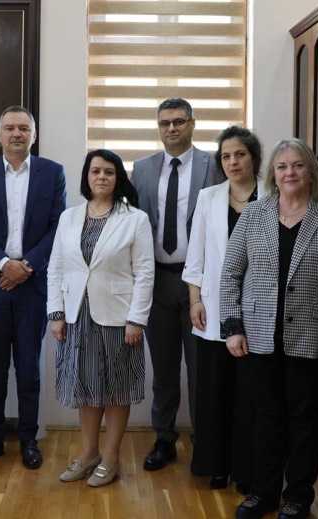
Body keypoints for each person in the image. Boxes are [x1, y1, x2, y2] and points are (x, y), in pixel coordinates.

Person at [219, 138, 318, 519]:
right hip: (259, 338)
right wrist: (232, 326)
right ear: (273, 174)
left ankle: (298, 497)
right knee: (265, 419)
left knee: (304, 422)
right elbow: (230, 274)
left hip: (311, 340)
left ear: (311, 171)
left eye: (297, 165)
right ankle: (263, 493)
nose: (289, 172)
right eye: (282, 167)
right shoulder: (253, 214)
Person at [0, 105, 66, 470]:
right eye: (10, 128)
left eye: (24, 128)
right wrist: (3, 263)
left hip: (33, 283)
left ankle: (28, 440)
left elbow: (58, 226)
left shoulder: (52, 172)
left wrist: (26, 266)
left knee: (28, 368)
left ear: (33, 135)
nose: (17, 134)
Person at [47, 149, 154, 487]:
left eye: (109, 171)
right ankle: (89, 453)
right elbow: (56, 268)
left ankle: (110, 457)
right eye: (95, 171)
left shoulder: (135, 218)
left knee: (116, 389)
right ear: (87, 177)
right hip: (77, 316)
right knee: (86, 388)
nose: (102, 177)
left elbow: (145, 272)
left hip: (119, 318)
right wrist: (56, 313)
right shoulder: (69, 217)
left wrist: (137, 319)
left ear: (118, 177)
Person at [131, 97, 223, 471]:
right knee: (164, 370)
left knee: (202, 370)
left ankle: (206, 442)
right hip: (157, 281)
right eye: (165, 122)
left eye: (179, 121)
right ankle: (164, 439)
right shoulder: (142, 169)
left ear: (192, 124)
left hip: (199, 284)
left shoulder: (214, 166)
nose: (171, 128)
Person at [183, 126, 264, 491]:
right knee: (214, 391)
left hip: (260, 310)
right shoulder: (209, 197)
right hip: (214, 308)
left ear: (254, 158)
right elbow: (195, 255)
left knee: (251, 394)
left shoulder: (272, 196)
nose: (233, 162)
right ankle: (216, 465)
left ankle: (248, 470)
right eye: (226, 156)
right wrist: (195, 300)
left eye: (240, 154)